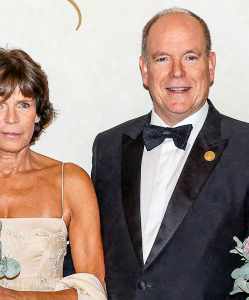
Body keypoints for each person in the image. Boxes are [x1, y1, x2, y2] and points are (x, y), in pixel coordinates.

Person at [91, 7, 249, 300]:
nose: (177, 72)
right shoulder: (108, 147)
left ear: (211, 65)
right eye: (162, 58)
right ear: (144, 69)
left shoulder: (246, 147)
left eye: (190, 57)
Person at [0, 48, 106, 300]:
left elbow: (93, 292)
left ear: (37, 114)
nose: (12, 118)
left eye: (23, 104)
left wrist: (20, 298)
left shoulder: (71, 181)